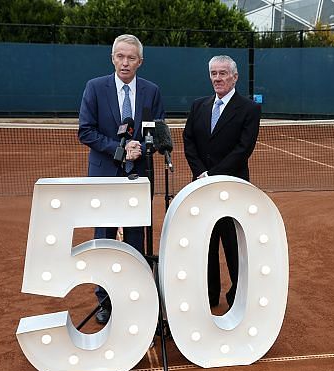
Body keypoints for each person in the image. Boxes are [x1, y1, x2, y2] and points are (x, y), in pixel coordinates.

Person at [78, 34, 165, 324]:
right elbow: (86, 131)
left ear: (140, 61)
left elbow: (156, 127)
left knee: (135, 239)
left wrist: (143, 146)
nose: (124, 62)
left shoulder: (151, 91)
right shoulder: (94, 87)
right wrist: (119, 149)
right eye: (120, 56)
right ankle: (105, 300)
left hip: (139, 177)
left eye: (131, 58)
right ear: (112, 58)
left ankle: (134, 296)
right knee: (104, 238)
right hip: (105, 177)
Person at [183, 55, 261, 308]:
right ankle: (209, 295)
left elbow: (243, 149)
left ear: (235, 77)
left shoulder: (249, 108)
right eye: (214, 73)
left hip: (232, 188)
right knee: (206, 243)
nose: (217, 78)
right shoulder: (198, 106)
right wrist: (201, 173)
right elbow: (189, 141)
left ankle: (238, 297)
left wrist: (213, 175)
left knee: (233, 244)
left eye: (223, 73)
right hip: (201, 185)